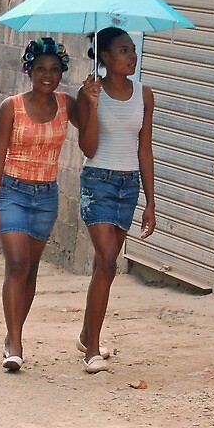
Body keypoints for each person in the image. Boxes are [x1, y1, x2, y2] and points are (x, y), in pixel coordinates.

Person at [0, 37, 97, 371]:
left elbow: (90, 145)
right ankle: (14, 342)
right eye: (40, 69)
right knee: (17, 264)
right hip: (12, 192)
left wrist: (90, 104)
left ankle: (13, 335)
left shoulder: (66, 104)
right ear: (29, 71)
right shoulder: (11, 106)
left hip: (45, 196)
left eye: (54, 70)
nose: (47, 75)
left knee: (30, 271)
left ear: (61, 73)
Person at [75, 27, 157, 374]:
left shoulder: (145, 95)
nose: (131, 56)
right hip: (98, 182)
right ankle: (92, 350)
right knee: (108, 261)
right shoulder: (89, 93)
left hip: (128, 185)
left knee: (103, 267)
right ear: (104, 57)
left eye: (133, 50)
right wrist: (91, 105)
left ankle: (85, 332)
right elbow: (88, 148)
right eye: (123, 51)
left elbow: (145, 148)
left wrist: (151, 202)